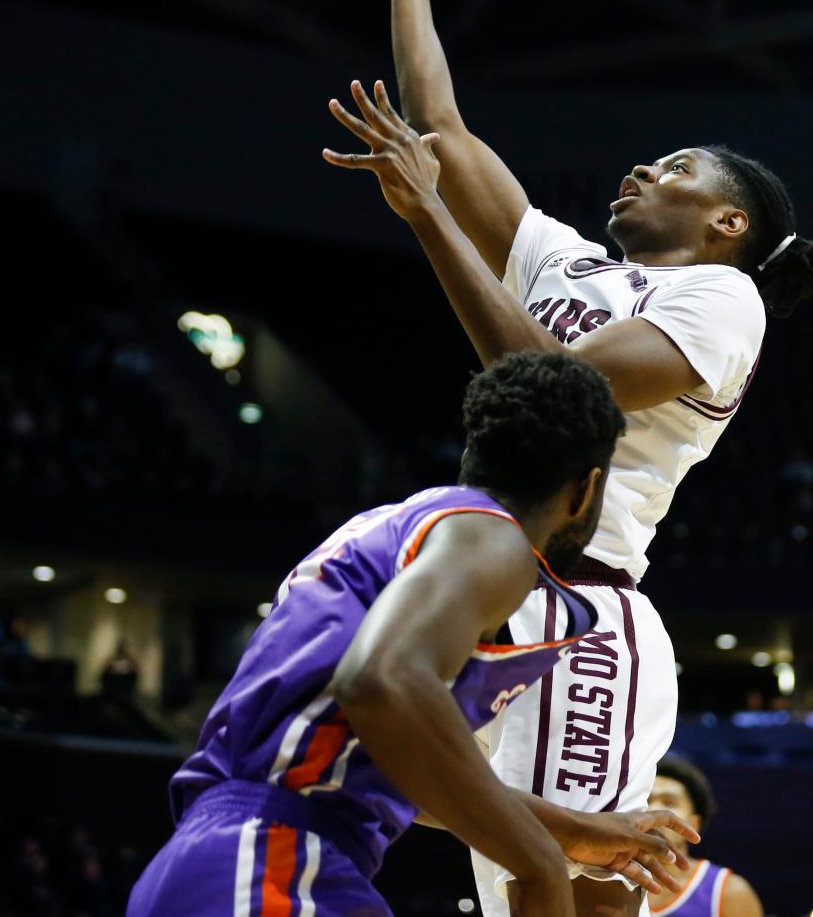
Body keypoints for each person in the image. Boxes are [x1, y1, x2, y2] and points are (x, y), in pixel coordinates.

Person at [321, 0, 813, 917]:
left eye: (675, 167)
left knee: (572, 894)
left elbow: (552, 389)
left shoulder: (725, 302)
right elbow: (441, 126)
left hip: (580, 608)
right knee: (494, 878)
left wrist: (430, 217)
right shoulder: (572, 263)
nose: (642, 170)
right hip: (486, 590)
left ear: (729, 223)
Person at [127, 352, 699, 917]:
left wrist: (572, 830)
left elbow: (412, 770)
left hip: (229, 857)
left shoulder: (389, 530)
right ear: (586, 491)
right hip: (272, 860)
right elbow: (380, 682)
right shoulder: (492, 539)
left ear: (473, 453)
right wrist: (540, 861)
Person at [647, 756, 763, 917]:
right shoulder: (603, 877)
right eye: (646, 800)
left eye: (669, 802)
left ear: (694, 824)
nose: (654, 810)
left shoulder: (728, 892)